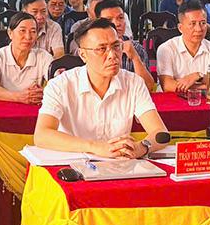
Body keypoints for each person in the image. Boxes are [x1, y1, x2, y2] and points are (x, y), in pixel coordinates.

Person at [34, 18, 168, 158]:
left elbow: (160, 132)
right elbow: (42, 135)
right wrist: (94, 147)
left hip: (119, 163)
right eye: (101, 49)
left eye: (116, 46)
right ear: (83, 55)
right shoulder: (60, 85)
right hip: (73, 162)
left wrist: (141, 147)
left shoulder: (133, 82)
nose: (112, 55)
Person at [0, 12, 52, 105]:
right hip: (1, 108)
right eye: (22, 31)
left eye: (33, 31)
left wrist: (43, 92)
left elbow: (58, 82)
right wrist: (19, 97)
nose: (28, 37)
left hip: (31, 109)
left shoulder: (43, 56)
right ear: (10, 33)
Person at [157, 0, 210, 94]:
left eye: (203, 23)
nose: (198, 29)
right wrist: (205, 85)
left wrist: (199, 76)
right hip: (173, 100)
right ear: (180, 28)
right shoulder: (167, 49)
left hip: (204, 101)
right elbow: (167, 85)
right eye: (192, 24)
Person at [95, 0, 156, 92]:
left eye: (120, 18)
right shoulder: (92, 49)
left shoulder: (136, 48)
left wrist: (135, 57)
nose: (117, 23)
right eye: (109, 19)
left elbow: (148, 87)